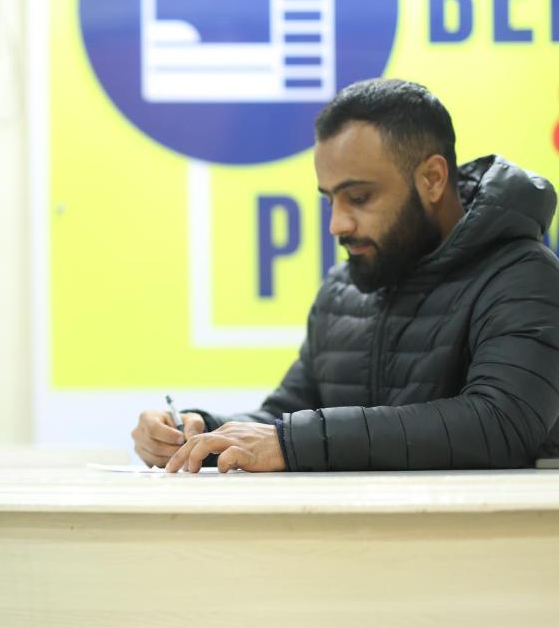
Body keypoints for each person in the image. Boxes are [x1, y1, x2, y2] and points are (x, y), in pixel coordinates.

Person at [132, 78, 559, 474]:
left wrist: (291, 441)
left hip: (481, 551)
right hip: (352, 547)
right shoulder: (344, 288)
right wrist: (199, 432)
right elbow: (287, 416)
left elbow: (500, 423)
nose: (337, 224)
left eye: (358, 197)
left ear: (432, 179)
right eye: (330, 199)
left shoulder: (524, 276)